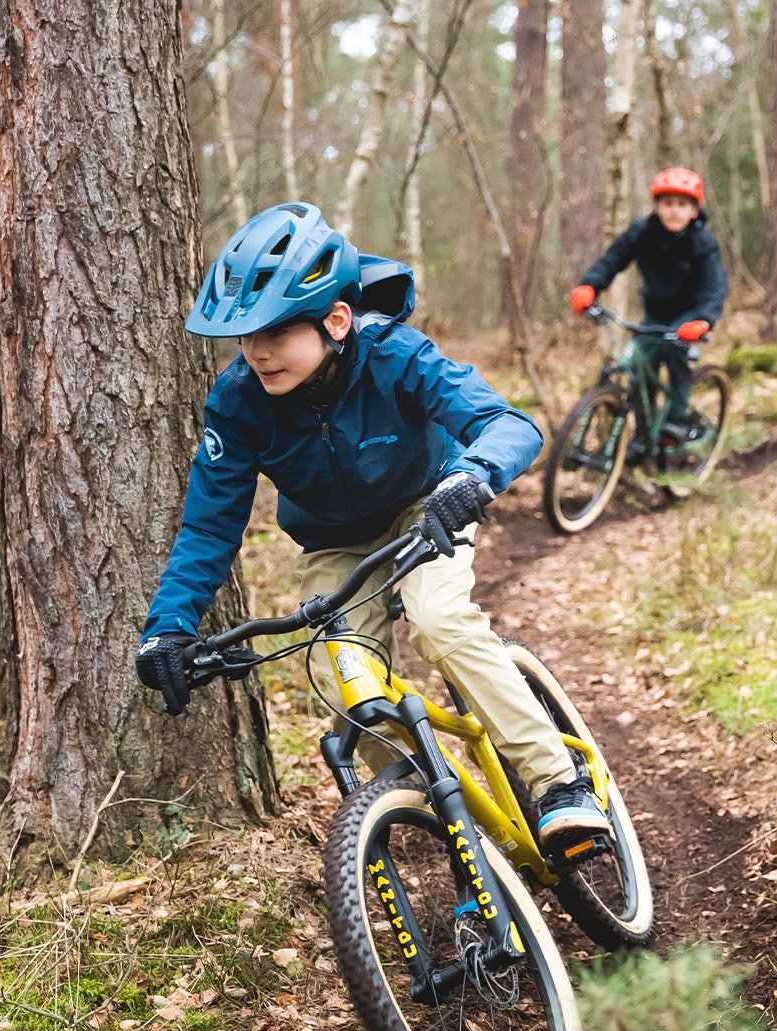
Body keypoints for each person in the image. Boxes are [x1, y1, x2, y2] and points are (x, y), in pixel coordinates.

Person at [136, 202, 611, 859]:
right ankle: (431, 804)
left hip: (427, 506)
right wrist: (170, 624)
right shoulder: (239, 401)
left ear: (335, 320)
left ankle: (561, 782)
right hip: (334, 540)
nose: (258, 352)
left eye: (275, 331)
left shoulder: (392, 353)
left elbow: (510, 424)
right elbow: (209, 524)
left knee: (440, 620)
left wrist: (469, 478)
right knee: (348, 680)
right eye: (245, 337)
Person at [570, 167, 728, 445]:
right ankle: (644, 437)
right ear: (657, 206)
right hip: (654, 312)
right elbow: (613, 259)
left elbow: (715, 287)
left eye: (682, 205)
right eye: (668, 204)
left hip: (689, 314)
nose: (674, 211)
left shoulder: (703, 243)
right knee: (640, 365)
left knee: (676, 352)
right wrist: (590, 286)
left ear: (694, 210)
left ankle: (678, 420)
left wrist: (703, 320)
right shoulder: (641, 232)